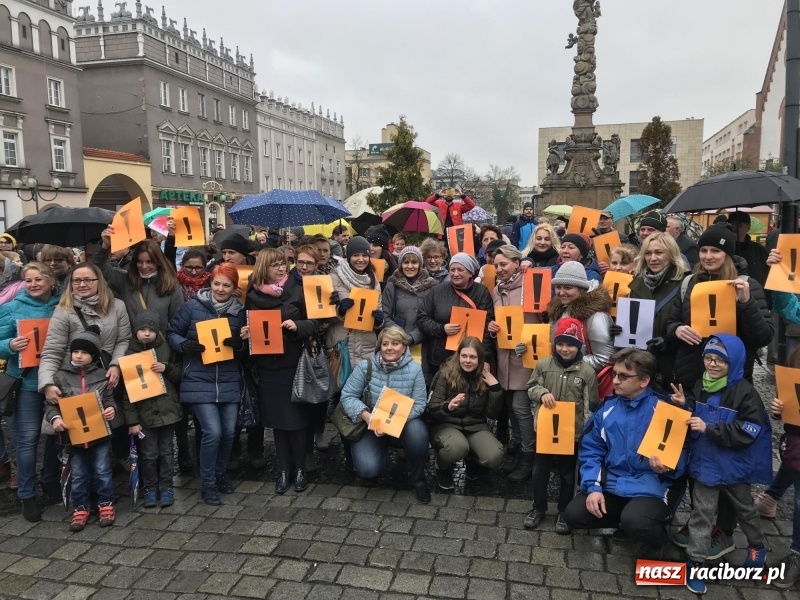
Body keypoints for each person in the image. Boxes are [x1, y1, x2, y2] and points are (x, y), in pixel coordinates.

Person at [562, 349, 686, 560]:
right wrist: (593, 487)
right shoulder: (608, 408)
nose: (616, 381)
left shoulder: (667, 409)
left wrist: (669, 466)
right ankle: (628, 523)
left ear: (644, 380)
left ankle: (656, 539)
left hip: (652, 489)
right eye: (614, 374)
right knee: (574, 515)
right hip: (614, 483)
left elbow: (683, 455)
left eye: (623, 376)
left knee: (637, 521)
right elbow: (591, 450)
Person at [670, 335, 770, 594]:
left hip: (734, 466)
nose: (712, 365)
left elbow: (750, 429)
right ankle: (696, 561)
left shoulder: (746, 392)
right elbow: (696, 415)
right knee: (701, 514)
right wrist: (686, 405)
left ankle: (757, 546)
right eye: (708, 358)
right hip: (705, 465)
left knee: (746, 509)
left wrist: (711, 429)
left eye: (720, 361)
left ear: (734, 362)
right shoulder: (699, 384)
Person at [166, 263, 247, 506]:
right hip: (199, 378)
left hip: (229, 378)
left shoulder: (240, 312)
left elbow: (247, 349)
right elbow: (172, 332)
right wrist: (184, 345)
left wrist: (240, 344)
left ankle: (221, 473)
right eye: (217, 283)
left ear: (234, 288)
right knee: (212, 432)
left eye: (226, 285)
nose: (220, 289)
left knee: (229, 432)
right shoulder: (192, 306)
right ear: (209, 283)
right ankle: (208, 482)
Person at [246, 248, 320, 494]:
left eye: (283, 263)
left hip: (293, 365)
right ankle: (284, 470)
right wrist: (246, 333)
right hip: (268, 367)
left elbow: (315, 323)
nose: (281, 268)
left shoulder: (297, 291)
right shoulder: (253, 294)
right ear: (263, 269)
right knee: (278, 423)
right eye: (275, 265)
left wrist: (296, 326)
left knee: (296, 421)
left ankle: (299, 469)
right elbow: (248, 325)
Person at [667, 224, 773, 390]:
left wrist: (746, 303)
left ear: (728, 254)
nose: (708, 256)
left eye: (715, 251)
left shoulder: (748, 285)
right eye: (704, 250)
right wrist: (677, 329)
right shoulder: (688, 283)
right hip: (691, 379)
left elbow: (763, 337)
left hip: (730, 382)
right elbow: (672, 321)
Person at [339, 326, 431, 503]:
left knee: (418, 432)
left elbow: (420, 404)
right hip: (370, 425)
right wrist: (368, 417)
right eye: (385, 343)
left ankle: (418, 480)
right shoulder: (366, 366)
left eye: (395, 343)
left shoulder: (415, 369)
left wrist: (393, 423)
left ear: (404, 347)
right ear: (379, 346)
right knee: (368, 471)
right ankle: (370, 453)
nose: (389, 347)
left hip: (402, 425)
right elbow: (347, 396)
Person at [0, 262, 62, 522]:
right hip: (26, 384)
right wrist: (10, 345)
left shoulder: (63, 306)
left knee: (55, 434)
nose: (34, 284)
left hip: (56, 383)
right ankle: (27, 494)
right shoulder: (11, 308)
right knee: (27, 441)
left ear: (51, 281)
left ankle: (49, 480)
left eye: (39, 279)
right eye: (29, 280)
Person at [525, 318, 598, 533]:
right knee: (540, 471)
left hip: (572, 432)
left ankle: (564, 510)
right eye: (560, 343)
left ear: (579, 346)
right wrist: (542, 394)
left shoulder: (587, 372)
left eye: (570, 344)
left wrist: (585, 432)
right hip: (546, 429)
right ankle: (538, 507)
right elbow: (531, 387)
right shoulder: (543, 364)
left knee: (568, 474)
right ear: (554, 344)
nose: (565, 349)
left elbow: (591, 405)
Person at [45, 327, 118, 531]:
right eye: (75, 351)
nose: (78, 356)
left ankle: (105, 504)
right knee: (77, 474)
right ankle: (81, 507)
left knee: (103, 471)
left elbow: (111, 400)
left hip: (100, 435)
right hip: (73, 437)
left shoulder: (103, 376)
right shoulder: (60, 377)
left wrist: (111, 409)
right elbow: (50, 405)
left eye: (84, 352)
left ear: (93, 356)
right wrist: (56, 419)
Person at [38, 263, 131, 410]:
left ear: (98, 281)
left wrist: (116, 364)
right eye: (77, 280)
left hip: (106, 380)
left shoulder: (117, 306)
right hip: (74, 383)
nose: (82, 284)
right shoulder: (64, 310)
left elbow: (123, 340)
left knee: (112, 426)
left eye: (88, 280)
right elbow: (52, 351)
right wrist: (47, 383)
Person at [487, 245, 542, 481]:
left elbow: (542, 318)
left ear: (517, 263)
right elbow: (498, 322)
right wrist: (492, 330)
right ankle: (519, 450)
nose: (499, 269)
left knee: (521, 409)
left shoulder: (529, 284)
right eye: (496, 265)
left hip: (526, 357)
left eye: (504, 264)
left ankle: (530, 457)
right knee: (511, 409)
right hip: (504, 358)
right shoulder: (496, 290)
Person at [121, 309, 182, 508]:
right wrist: (132, 421)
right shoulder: (129, 354)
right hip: (144, 415)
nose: (146, 333)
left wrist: (167, 369)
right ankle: (150, 488)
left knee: (166, 452)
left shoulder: (166, 349)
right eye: (142, 329)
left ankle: (166, 488)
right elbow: (127, 392)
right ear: (135, 331)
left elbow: (180, 375)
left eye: (151, 330)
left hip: (168, 412)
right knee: (148, 454)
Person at [425, 336, 504, 490]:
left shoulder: (484, 377)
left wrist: (495, 389)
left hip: (475, 426)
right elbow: (430, 409)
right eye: (464, 356)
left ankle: (472, 460)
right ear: (458, 355)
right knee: (457, 447)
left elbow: (491, 414)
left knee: (495, 456)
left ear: (480, 359)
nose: (468, 360)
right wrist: (448, 406)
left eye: (473, 357)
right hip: (446, 424)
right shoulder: (445, 373)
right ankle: (442, 467)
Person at [417, 253, 495, 385]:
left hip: (470, 360)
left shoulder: (481, 292)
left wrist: (485, 358)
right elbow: (422, 318)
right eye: (452, 270)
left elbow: (487, 327)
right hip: (440, 358)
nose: (455, 274)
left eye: (460, 270)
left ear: (470, 273)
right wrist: (441, 329)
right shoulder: (437, 291)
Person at [627, 233, 688, 390]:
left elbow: (690, 324)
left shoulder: (685, 283)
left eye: (659, 252)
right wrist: (620, 332)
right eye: (648, 253)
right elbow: (633, 325)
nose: (653, 258)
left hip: (672, 365)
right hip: (642, 365)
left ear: (671, 254)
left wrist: (669, 340)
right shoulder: (636, 284)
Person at [95, 233, 184, 334]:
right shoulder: (125, 280)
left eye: (149, 262)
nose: (144, 266)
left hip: (160, 346)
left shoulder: (171, 287)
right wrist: (105, 245)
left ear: (158, 262)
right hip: (130, 347)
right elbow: (99, 268)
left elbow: (177, 324)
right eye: (139, 262)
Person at [765, 350, 800, 589]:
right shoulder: (796, 356)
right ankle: (770, 498)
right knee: (793, 466)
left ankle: (797, 554)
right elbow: (788, 404)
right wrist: (780, 408)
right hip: (797, 440)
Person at [327, 236, 384, 370]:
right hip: (341, 343)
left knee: (363, 386)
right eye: (356, 255)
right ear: (348, 257)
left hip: (366, 345)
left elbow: (378, 308)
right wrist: (339, 311)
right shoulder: (333, 277)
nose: (360, 259)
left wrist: (378, 321)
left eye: (365, 255)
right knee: (339, 386)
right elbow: (323, 315)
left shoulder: (373, 281)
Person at [547, 262, 615, 373]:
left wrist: (568, 362)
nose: (561, 292)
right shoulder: (558, 310)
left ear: (581, 290)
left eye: (568, 288)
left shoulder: (596, 317)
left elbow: (605, 358)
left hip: (583, 385)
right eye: (558, 287)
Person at [382, 246, 437, 347]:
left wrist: (412, 337)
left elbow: (431, 319)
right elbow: (385, 315)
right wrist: (400, 336)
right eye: (406, 262)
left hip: (420, 343)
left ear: (420, 264)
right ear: (400, 265)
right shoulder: (392, 285)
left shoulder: (430, 287)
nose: (410, 266)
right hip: (394, 342)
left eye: (414, 262)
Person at [727, 211, 769, 286]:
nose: (734, 228)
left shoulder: (759, 250)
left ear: (748, 227)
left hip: (755, 290)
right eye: (732, 224)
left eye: (739, 225)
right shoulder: (725, 249)